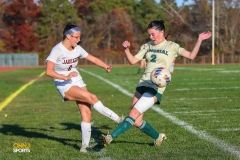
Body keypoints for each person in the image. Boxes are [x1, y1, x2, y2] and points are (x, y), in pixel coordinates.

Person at [101, 20, 212, 147]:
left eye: (153, 34)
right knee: (137, 121)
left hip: (155, 87)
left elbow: (191, 56)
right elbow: (132, 61)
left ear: (162, 32)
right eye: (149, 35)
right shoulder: (147, 46)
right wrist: (126, 49)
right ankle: (158, 137)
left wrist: (199, 40)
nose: (151, 37)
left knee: (132, 114)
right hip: (143, 84)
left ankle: (109, 137)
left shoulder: (172, 46)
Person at [45, 23, 124, 153]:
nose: (78, 39)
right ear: (68, 36)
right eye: (76, 37)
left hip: (76, 79)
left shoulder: (77, 49)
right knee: (92, 97)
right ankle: (119, 119)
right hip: (63, 83)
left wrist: (105, 66)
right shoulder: (57, 50)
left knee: (87, 112)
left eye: (79, 37)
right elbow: (48, 71)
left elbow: (92, 58)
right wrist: (64, 77)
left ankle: (84, 147)